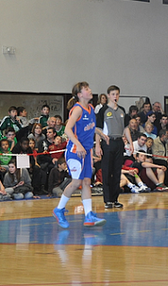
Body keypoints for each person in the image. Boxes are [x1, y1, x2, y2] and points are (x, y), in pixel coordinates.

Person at [53, 82, 108, 229]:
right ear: (79, 94)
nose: (90, 91)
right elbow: (68, 130)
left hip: (86, 151)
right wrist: (78, 145)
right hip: (75, 151)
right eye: (86, 89)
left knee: (86, 182)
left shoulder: (90, 108)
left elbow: (88, 128)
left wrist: (99, 133)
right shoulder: (77, 109)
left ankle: (89, 215)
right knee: (77, 182)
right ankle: (59, 209)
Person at [96, 85, 130, 210]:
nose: (115, 96)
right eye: (113, 94)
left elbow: (126, 128)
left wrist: (130, 143)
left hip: (119, 142)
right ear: (108, 95)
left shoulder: (122, 110)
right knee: (107, 171)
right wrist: (98, 145)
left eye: (117, 94)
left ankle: (115, 199)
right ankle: (108, 200)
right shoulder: (103, 110)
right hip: (107, 142)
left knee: (117, 172)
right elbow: (98, 129)